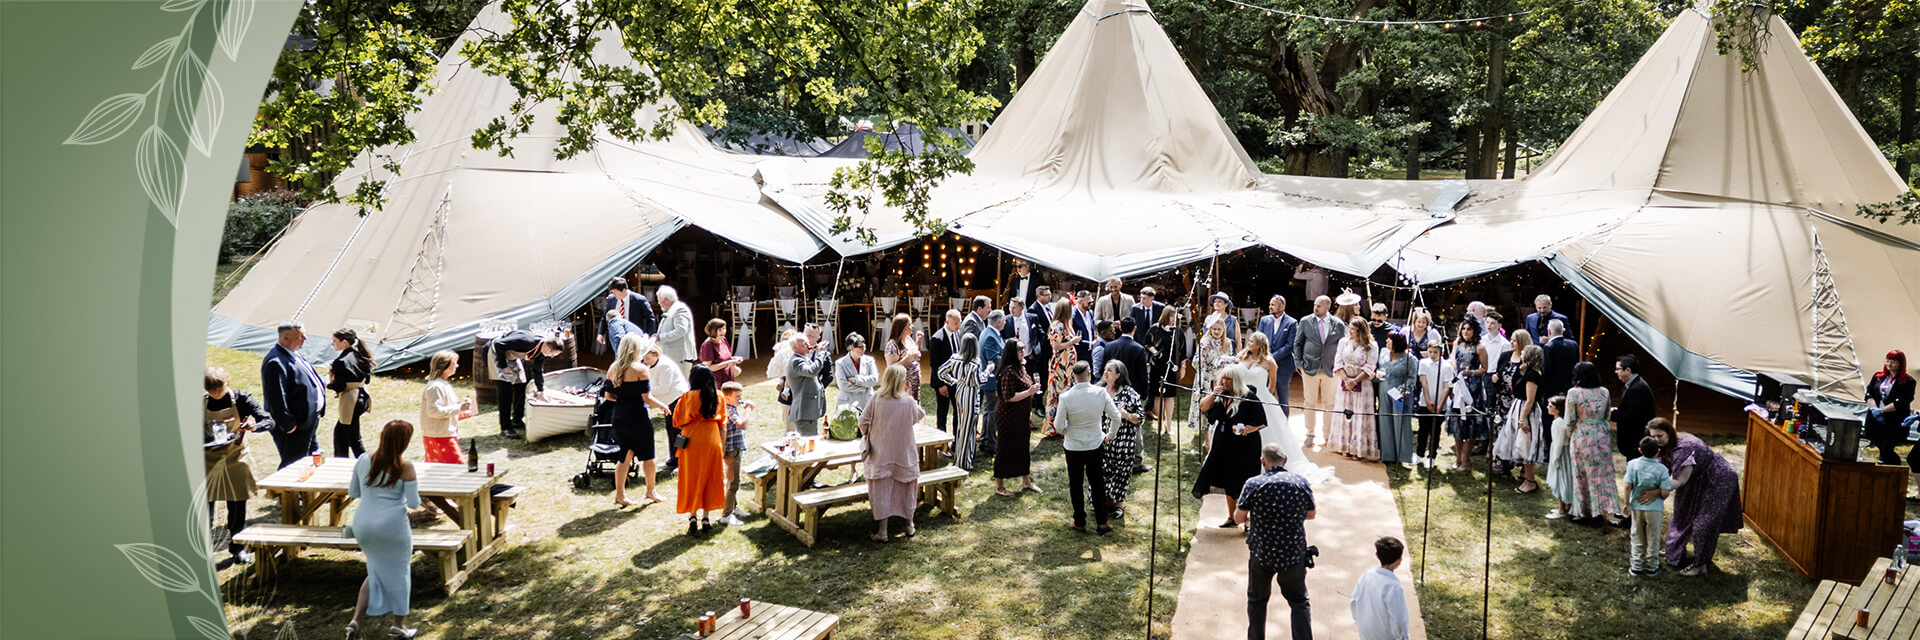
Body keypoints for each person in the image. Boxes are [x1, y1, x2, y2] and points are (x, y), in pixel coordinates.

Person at [345, 420, 423, 639]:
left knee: (374, 569)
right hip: (391, 526)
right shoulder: (405, 467)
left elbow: (354, 492)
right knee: (400, 573)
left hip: (363, 523)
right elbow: (414, 503)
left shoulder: (363, 459)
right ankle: (399, 624)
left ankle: (355, 621)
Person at [1235, 443, 1316, 640]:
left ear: (1263, 462)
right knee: (1299, 601)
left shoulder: (1254, 484)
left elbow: (1238, 518)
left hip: (1262, 552)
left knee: (1257, 601)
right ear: (1285, 459)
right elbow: (1311, 514)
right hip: (1293, 553)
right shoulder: (1301, 482)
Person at [1646, 418, 1743, 576]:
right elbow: (1662, 470)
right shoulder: (1664, 447)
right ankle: (1674, 552)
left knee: (1703, 524)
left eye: (1660, 436)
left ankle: (1700, 565)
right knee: (1682, 514)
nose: (1656, 440)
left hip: (1717, 480)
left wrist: (1655, 492)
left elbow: (1679, 481)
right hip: (1694, 479)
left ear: (1669, 433)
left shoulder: (1684, 449)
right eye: (1653, 436)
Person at [202, 367, 270, 564]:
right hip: (207, 459)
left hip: (235, 457)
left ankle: (237, 547)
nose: (216, 394)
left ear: (228, 382)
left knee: (237, 505)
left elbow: (268, 420)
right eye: (211, 390)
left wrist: (255, 426)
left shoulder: (241, 399)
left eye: (219, 389)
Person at [1242, 332, 1329, 483]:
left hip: (1261, 398)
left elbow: (1272, 384)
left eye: (1252, 342)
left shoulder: (1269, 362)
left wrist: (1265, 399)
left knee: (1266, 431)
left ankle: (1266, 463)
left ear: (1260, 345)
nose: (1248, 344)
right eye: (1248, 341)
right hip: (1243, 397)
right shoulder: (1242, 357)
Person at [1052, 361, 1120, 534]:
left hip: (1073, 445)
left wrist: (1066, 430)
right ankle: (1101, 522)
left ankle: (1079, 521)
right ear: (1089, 373)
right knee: (1097, 482)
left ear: (1073, 376)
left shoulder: (1066, 397)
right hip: (1095, 444)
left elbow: (1058, 426)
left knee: (1076, 484)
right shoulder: (1100, 393)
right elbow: (1116, 417)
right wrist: (1109, 435)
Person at [862, 364, 926, 541]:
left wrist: (869, 434)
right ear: (902, 381)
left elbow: (863, 421)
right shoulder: (908, 402)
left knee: (881, 490)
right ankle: (909, 525)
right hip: (903, 452)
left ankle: (882, 531)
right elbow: (919, 415)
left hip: (881, 452)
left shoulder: (876, 398)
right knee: (907, 488)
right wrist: (909, 394)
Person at [1194, 368, 1266, 524]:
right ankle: (1232, 516)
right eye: (1223, 378)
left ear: (1236, 380)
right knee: (1227, 477)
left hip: (1245, 445)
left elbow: (1260, 421)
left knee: (1243, 479)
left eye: (1228, 379)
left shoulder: (1249, 397)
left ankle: (1246, 518)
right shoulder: (1221, 397)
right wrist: (1213, 394)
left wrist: (1247, 429)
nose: (1224, 382)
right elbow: (1203, 407)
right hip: (1223, 441)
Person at [1565, 362, 1626, 525]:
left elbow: (1570, 419)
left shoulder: (1573, 393)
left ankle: (1583, 512)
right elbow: (1607, 415)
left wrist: (1570, 435)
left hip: (1582, 435)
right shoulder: (1604, 392)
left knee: (1581, 474)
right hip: (1602, 435)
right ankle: (1601, 510)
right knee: (1602, 474)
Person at [606, 335, 664, 506]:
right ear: (637, 349)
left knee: (625, 455)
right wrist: (663, 406)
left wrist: (623, 401)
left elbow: (608, 396)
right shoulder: (641, 369)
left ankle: (620, 495)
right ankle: (650, 491)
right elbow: (647, 398)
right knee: (649, 455)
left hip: (619, 415)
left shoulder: (613, 368)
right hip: (637, 416)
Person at [261, 321, 325, 468]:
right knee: (292, 465)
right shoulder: (275, 362)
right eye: (300, 336)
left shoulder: (294, 353)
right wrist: (288, 425)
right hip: (294, 427)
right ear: (285, 338)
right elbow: (276, 398)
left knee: (311, 460)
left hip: (308, 421)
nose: (305, 338)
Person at [673, 365, 727, 534]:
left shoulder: (686, 397)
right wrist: (722, 445)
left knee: (691, 477)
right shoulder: (718, 396)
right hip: (712, 439)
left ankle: (692, 515)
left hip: (692, 442)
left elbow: (676, 421)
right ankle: (706, 517)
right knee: (710, 477)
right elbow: (723, 425)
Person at [485, 329, 565, 440]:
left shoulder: (542, 352)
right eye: (553, 354)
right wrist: (504, 366)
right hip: (496, 352)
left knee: (521, 386)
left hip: (512, 356)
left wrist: (540, 390)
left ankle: (517, 421)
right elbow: (499, 344)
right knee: (505, 391)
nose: (551, 357)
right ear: (548, 348)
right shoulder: (526, 341)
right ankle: (506, 428)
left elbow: (537, 370)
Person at [1496, 343, 1547, 493]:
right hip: (1518, 408)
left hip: (1527, 412)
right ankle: (1527, 479)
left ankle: (1531, 481)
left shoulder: (1533, 375)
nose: (1522, 353)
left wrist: (1522, 419)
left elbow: (1530, 399)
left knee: (1526, 446)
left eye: (1525, 352)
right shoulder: (1525, 372)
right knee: (1521, 445)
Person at [936, 333, 990, 470]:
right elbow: (978, 381)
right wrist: (988, 371)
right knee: (967, 429)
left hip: (960, 393)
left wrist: (953, 381)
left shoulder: (955, 358)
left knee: (963, 426)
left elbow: (941, 372)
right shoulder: (975, 363)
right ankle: (963, 462)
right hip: (970, 395)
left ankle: (965, 458)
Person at [995, 341, 1042, 497]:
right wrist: (1029, 392)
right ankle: (999, 486)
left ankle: (1026, 481)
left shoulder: (1020, 368)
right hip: (1008, 416)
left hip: (1021, 416)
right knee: (1005, 448)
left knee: (1023, 447)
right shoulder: (1008, 372)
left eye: (1023, 348)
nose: (1022, 351)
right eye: (1019, 349)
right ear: (1011, 352)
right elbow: (1008, 397)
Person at [1293, 295, 1340, 449]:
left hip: (1330, 369)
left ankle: (1327, 434)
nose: (1316, 308)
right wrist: (1299, 364)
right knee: (1309, 401)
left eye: (1319, 305)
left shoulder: (1338, 324)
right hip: (1309, 367)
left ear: (1328, 307)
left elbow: (1342, 346)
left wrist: (1339, 365)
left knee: (1330, 403)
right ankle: (1310, 433)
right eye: (1315, 305)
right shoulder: (1305, 321)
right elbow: (1297, 343)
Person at [1101, 360, 1145, 518]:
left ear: (1118, 375)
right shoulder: (1099, 392)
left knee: (1122, 474)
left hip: (1123, 442)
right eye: (1105, 369)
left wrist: (1127, 415)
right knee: (1101, 472)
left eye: (1110, 370)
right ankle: (1104, 500)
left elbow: (1141, 418)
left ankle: (1119, 504)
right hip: (1102, 441)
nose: (1105, 373)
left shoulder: (1129, 394)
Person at [1623, 436, 1672, 576]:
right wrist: (1658, 494)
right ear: (1658, 451)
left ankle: (1636, 566)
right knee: (1653, 537)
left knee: (1637, 536)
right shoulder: (1662, 469)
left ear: (1640, 450)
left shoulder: (1632, 464)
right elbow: (1665, 493)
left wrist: (1626, 504)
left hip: (1637, 507)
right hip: (1655, 510)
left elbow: (1627, 486)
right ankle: (1651, 566)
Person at [1331, 318, 1378, 460]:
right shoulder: (1344, 342)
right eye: (1350, 328)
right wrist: (1346, 380)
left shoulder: (1372, 346)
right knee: (1345, 413)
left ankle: (1358, 448)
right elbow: (1338, 362)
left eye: (1354, 329)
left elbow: (1370, 366)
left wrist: (1355, 381)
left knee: (1359, 414)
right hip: (1345, 383)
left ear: (1361, 331)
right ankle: (1344, 446)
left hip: (1362, 385)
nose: (1350, 331)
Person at [1447, 320, 1490, 472]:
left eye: (1469, 329)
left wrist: (1471, 372)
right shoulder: (1457, 343)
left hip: (1473, 388)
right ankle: (1458, 458)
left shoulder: (1479, 347)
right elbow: (1453, 360)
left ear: (1474, 331)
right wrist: (1455, 371)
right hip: (1458, 385)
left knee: (1471, 423)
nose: (1465, 331)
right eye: (1463, 328)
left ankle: (1466, 459)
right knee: (1457, 423)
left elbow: (1485, 368)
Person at [418, 350, 474, 465]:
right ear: (444, 366)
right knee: (456, 468)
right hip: (439, 436)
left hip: (443, 433)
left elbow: (446, 408)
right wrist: (459, 408)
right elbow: (434, 411)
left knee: (441, 468)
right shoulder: (435, 387)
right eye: (454, 363)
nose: (457, 366)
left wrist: (464, 410)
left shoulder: (444, 384)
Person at [1349, 537, 1410, 640]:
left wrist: (1359, 624)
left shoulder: (1367, 575)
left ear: (1377, 555)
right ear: (1400, 560)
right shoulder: (1394, 587)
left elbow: (1353, 602)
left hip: (1366, 634)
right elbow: (1399, 620)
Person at [645, 341, 693, 470]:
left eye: (648, 358)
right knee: (670, 429)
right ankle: (674, 458)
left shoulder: (665, 365)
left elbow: (664, 388)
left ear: (656, 355)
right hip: (668, 401)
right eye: (644, 358)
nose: (646, 361)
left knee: (678, 431)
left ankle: (681, 461)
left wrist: (646, 391)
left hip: (677, 399)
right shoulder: (652, 365)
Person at [1863, 350, 1914, 469]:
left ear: (1900, 363)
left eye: (1893, 362)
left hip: (1893, 421)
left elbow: (1903, 401)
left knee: (1887, 448)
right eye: (1887, 361)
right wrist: (1874, 409)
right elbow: (1869, 393)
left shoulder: (1908, 381)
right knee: (1879, 445)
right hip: (1876, 419)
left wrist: (1883, 411)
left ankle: (1893, 469)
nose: (1889, 364)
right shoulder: (1878, 377)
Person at [1374, 333, 1419, 467]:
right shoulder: (1383, 352)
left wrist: (1402, 390)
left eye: (1390, 340)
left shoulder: (1410, 359)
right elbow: (1380, 368)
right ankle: (1387, 455)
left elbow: (1412, 378)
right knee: (1385, 421)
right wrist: (1377, 374)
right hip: (1384, 390)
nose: (1387, 341)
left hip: (1400, 394)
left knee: (1401, 423)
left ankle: (1403, 455)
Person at [328, 328, 373, 457]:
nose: (333, 344)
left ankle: (369, 465)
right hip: (363, 397)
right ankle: (341, 461)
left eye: (335, 341)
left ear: (344, 342)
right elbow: (367, 379)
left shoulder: (340, 362)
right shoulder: (361, 355)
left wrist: (328, 385)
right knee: (340, 435)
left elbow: (340, 386)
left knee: (354, 440)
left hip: (351, 401)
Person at [1191, 315, 1234, 445]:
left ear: (1223, 330)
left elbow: (1230, 363)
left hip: (1220, 380)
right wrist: (1203, 354)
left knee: (1219, 406)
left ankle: (1217, 434)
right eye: (1214, 329)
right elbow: (1195, 364)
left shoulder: (1227, 343)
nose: (1216, 332)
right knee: (1206, 407)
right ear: (1210, 329)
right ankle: (1208, 439)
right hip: (1205, 379)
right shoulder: (1204, 342)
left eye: (1219, 329)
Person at [1413, 342, 1454, 469]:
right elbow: (1423, 382)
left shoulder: (1447, 367)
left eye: (1435, 352)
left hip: (1440, 402)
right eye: (1430, 352)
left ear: (1441, 352)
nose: (1432, 355)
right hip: (1425, 401)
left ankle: (1431, 457)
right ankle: (1419, 454)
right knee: (1422, 429)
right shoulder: (1423, 363)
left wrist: (1440, 405)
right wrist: (1427, 400)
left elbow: (1447, 387)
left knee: (1435, 431)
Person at [1257, 296, 1298, 417]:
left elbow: (1290, 345)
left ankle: (1284, 423)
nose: (1270, 307)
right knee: (1266, 395)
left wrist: (1272, 358)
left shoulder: (1292, 323)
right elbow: (1259, 339)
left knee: (1283, 397)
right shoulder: (1264, 320)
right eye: (1270, 304)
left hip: (1283, 366)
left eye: (1273, 305)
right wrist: (1265, 358)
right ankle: (1266, 421)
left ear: (1282, 306)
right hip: (1265, 365)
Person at [1046, 298, 1082, 431]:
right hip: (1061, 366)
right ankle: (1055, 426)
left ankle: (1064, 423)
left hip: (1068, 366)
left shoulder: (1066, 324)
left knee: (1067, 392)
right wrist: (1072, 342)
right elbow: (1056, 346)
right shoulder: (1058, 325)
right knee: (1060, 393)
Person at [718, 381, 752, 525]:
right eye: (737, 396)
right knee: (734, 483)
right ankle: (726, 515)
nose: (740, 398)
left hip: (731, 449)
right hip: (732, 450)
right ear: (727, 397)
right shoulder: (729, 410)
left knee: (732, 479)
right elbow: (742, 425)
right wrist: (748, 410)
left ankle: (734, 507)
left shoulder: (730, 407)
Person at [1611, 354, 1656, 459]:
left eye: (1618, 369)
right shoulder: (1633, 385)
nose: (1616, 372)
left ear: (1628, 370)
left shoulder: (1637, 388)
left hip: (1636, 440)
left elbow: (1630, 416)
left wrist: (1612, 414)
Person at [786, 334, 831, 437]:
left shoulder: (803, 358)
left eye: (807, 343)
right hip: (804, 412)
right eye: (804, 344)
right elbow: (812, 371)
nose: (808, 345)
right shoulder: (796, 361)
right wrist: (821, 353)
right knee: (809, 441)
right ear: (794, 348)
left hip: (809, 411)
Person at [930, 309, 965, 431]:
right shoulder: (937, 338)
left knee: (958, 409)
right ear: (947, 322)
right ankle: (942, 437)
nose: (958, 326)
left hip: (956, 380)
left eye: (959, 322)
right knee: (942, 411)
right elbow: (934, 364)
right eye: (955, 323)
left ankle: (957, 437)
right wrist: (941, 384)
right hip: (943, 381)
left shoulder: (958, 334)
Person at [1148, 305, 1183, 425]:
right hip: (1157, 366)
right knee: (1158, 395)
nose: (1173, 319)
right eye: (1171, 316)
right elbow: (1147, 343)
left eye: (1174, 316)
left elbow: (1182, 350)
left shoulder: (1177, 331)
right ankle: (1160, 422)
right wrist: (1154, 352)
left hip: (1172, 367)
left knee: (1170, 395)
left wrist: (1183, 367)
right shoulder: (1155, 328)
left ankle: (1168, 423)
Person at [979, 311, 1007, 455]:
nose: (1005, 322)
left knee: (988, 410)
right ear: (999, 322)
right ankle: (990, 443)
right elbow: (994, 359)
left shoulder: (990, 333)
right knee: (992, 412)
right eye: (1004, 320)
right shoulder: (990, 336)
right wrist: (1010, 359)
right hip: (992, 380)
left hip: (990, 379)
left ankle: (985, 440)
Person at [1543, 395, 1576, 518]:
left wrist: (1555, 458)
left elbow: (1558, 443)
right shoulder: (1562, 421)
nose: (1548, 407)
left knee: (1560, 480)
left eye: (1551, 406)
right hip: (1565, 452)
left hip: (1561, 454)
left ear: (1558, 409)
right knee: (1565, 479)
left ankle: (1562, 509)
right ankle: (1566, 507)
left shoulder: (1558, 423)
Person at [655, 285, 698, 377]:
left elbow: (681, 330)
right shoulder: (672, 309)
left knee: (681, 384)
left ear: (665, 300)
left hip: (680, 357)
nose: (658, 303)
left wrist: (660, 337)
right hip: (673, 357)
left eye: (659, 300)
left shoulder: (679, 309)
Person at [602, 277, 657, 349]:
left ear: (623, 290)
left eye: (614, 292)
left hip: (635, 336)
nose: (613, 294)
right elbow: (605, 316)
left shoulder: (639, 299)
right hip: (619, 336)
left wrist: (649, 337)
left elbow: (650, 318)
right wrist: (601, 333)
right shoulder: (611, 299)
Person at [834, 333, 880, 414]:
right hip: (848, 403)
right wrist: (864, 388)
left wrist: (856, 380)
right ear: (851, 348)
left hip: (866, 402)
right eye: (861, 347)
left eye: (864, 346)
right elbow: (843, 385)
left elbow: (874, 380)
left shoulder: (870, 361)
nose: (864, 349)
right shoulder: (840, 363)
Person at [883, 313, 924, 402]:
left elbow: (915, 356)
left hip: (914, 387)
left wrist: (918, 341)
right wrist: (906, 360)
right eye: (909, 324)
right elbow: (891, 369)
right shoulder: (892, 345)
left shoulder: (908, 339)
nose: (912, 326)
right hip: (901, 387)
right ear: (902, 328)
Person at [1540, 319, 1578, 401]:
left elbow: (1546, 369)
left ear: (1549, 331)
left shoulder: (1548, 347)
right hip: (1569, 386)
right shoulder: (1574, 345)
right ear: (1563, 330)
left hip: (1552, 389)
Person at [699, 318, 744, 386]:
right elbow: (707, 367)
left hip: (727, 379)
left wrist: (734, 359)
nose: (723, 331)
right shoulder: (708, 345)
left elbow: (723, 358)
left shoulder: (723, 340)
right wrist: (727, 363)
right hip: (715, 382)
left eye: (724, 329)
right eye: (720, 330)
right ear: (713, 331)